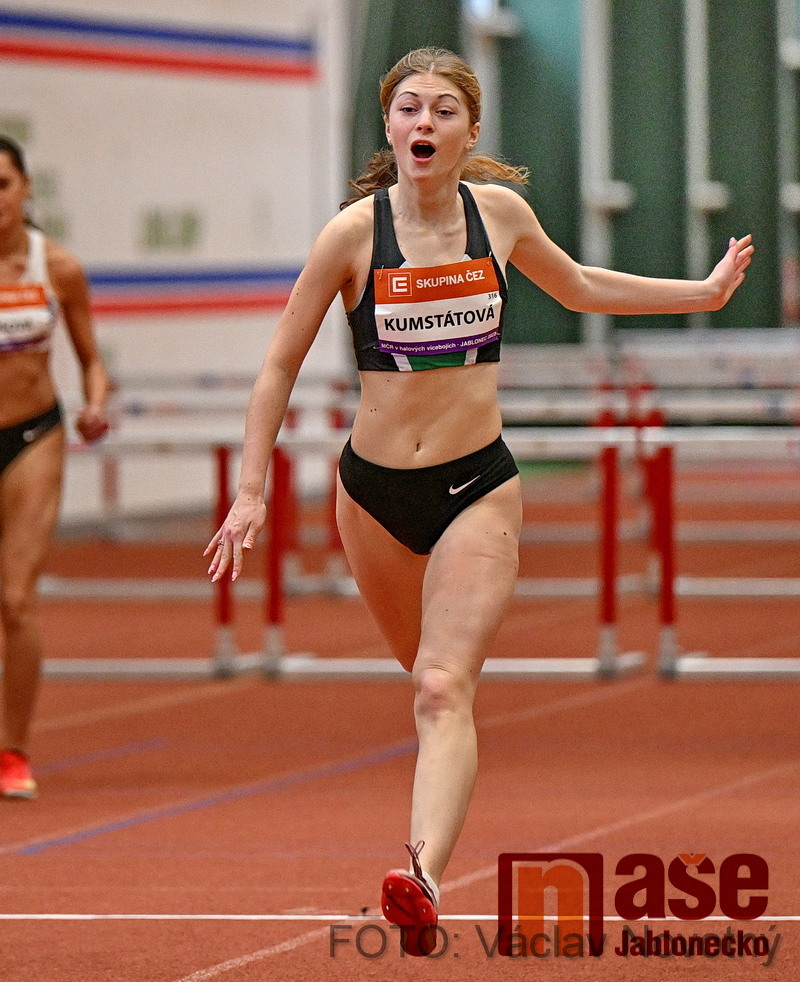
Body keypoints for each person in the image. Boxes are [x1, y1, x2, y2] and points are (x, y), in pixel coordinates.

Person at [205, 48, 753, 954]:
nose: (424, 122)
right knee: (418, 674)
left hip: (476, 487)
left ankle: (419, 877)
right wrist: (251, 490)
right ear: (390, 126)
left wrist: (700, 292)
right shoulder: (352, 235)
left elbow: (579, 285)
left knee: (440, 685)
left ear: (469, 130)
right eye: (409, 107)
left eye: (443, 109)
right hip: (372, 493)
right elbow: (278, 365)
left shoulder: (496, 215)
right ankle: (428, 846)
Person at [0, 136, 110, 799]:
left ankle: (12, 751)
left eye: (2, 184)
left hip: (32, 435)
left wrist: (95, 405)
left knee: (15, 598)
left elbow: (91, 360)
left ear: (25, 188)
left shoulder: (58, 268)